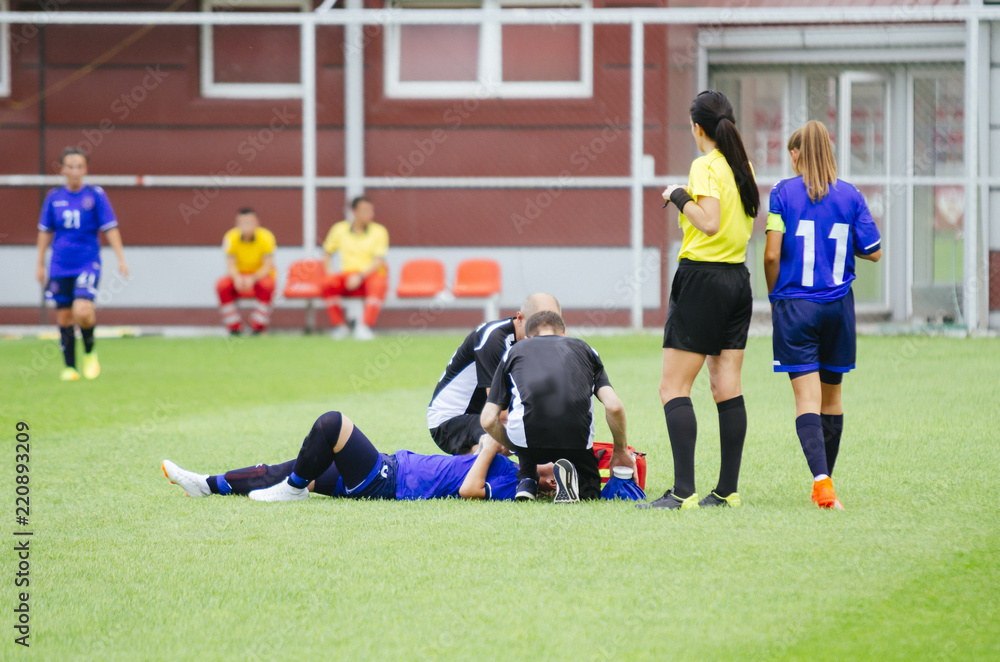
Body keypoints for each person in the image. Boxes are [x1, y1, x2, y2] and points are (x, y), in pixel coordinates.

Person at [641, 90, 758, 510]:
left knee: (672, 386)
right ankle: (727, 491)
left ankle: (683, 491)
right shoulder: (741, 165)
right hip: (737, 280)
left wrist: (677, 194)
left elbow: (708, 223)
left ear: (696, 128)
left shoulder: (705, 165)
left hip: (703, 280)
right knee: (726, 385)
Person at [763, 120, 882, 510]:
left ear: (796, 154)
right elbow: (874, 251)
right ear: (830, 152)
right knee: (832, 398)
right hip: (838, 308)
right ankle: (826, 483)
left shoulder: (781, 192)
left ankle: (822, 482)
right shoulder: (851, 194)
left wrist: (774, 296)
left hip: (796, 306)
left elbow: (771, 254)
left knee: (806, 399)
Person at [161, 411, 556, 502]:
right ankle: (207, 485)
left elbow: (469, 489)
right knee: (290, 468)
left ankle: (293, 489)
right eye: (554, 470)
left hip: (389, 480)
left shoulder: (512, 485)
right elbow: (474, 450)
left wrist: (489, 449)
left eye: (553, 482)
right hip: (391, 467)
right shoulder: (512, 464)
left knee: (332, 424)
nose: (549, 476)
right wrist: (496, 440)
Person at [480, 310, 635, 502]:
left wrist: (515, 447)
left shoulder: (514, 351)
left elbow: (488, 420)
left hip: (528, 444)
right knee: (590, 493)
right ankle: (576, 483)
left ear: (527, 338)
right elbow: (614, 406)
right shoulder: (586, 349)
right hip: (576, 441)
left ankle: (527, 480)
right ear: (564, 333)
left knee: (525, 415)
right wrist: (620, 450)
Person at [34, 147, 128, 381]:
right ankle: (70, 368)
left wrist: (120, 258)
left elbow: (110, 227)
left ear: (85, 169)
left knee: (83, 311)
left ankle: (89, 352)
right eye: (70, 166)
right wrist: (40, 263)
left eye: (79, 166)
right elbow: (45, 231)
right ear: (62, 169)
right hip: (60, 264)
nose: (75, 171)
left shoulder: (95, 195)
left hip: (87, 261)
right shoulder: (54, 197)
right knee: (64, 316)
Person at [427, 293, 562, 456]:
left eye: (553, 325)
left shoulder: (544, 344)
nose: (545, 333)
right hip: (451, 420)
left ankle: (474, 460)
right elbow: (500, 413)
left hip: (483, 416)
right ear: (520, 318)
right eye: (536, 325)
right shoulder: (494, 339)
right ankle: (466, 465)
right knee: (507, 435)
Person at [321, 196, 389, 341]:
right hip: (348, 278)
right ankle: (340, 327)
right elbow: (326, 253)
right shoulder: (339, 229)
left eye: (371, 211)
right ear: (354, 212)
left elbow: (378, 261)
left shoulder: (379, 231)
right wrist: (329, 273)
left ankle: (364, 327)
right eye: (366, 210)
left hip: (368, 276)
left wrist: (360, 276)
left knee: (379, 282)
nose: (370, 214)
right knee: (327, 283)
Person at [215, 208, 277, 335]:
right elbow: (230, 265)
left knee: (268, 285)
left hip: (259, 275)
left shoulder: (267, 237)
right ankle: (234, 327)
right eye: (243, 222)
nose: (246, 226)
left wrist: (253, 278)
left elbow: (267, 266)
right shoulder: (230, 237)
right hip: (239, 275)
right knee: (222, 285)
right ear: (237, 224)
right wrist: (237, 277)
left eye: (249, 222)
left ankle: (258, 327)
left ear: (257, 223)